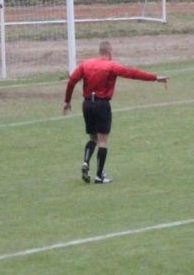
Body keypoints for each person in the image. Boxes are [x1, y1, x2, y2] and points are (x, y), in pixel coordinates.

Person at [63, 41, 169, 184]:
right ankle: (99, 176)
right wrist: (155, 78)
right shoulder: (111, 66)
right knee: (103, 141)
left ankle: (86, 162)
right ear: (110, 53)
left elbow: (71, 81)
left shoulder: (85, 64)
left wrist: (67, 100)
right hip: (101, 104)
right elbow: (132, 73)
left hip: (87, 104)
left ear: (99, 51)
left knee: (93, 138)